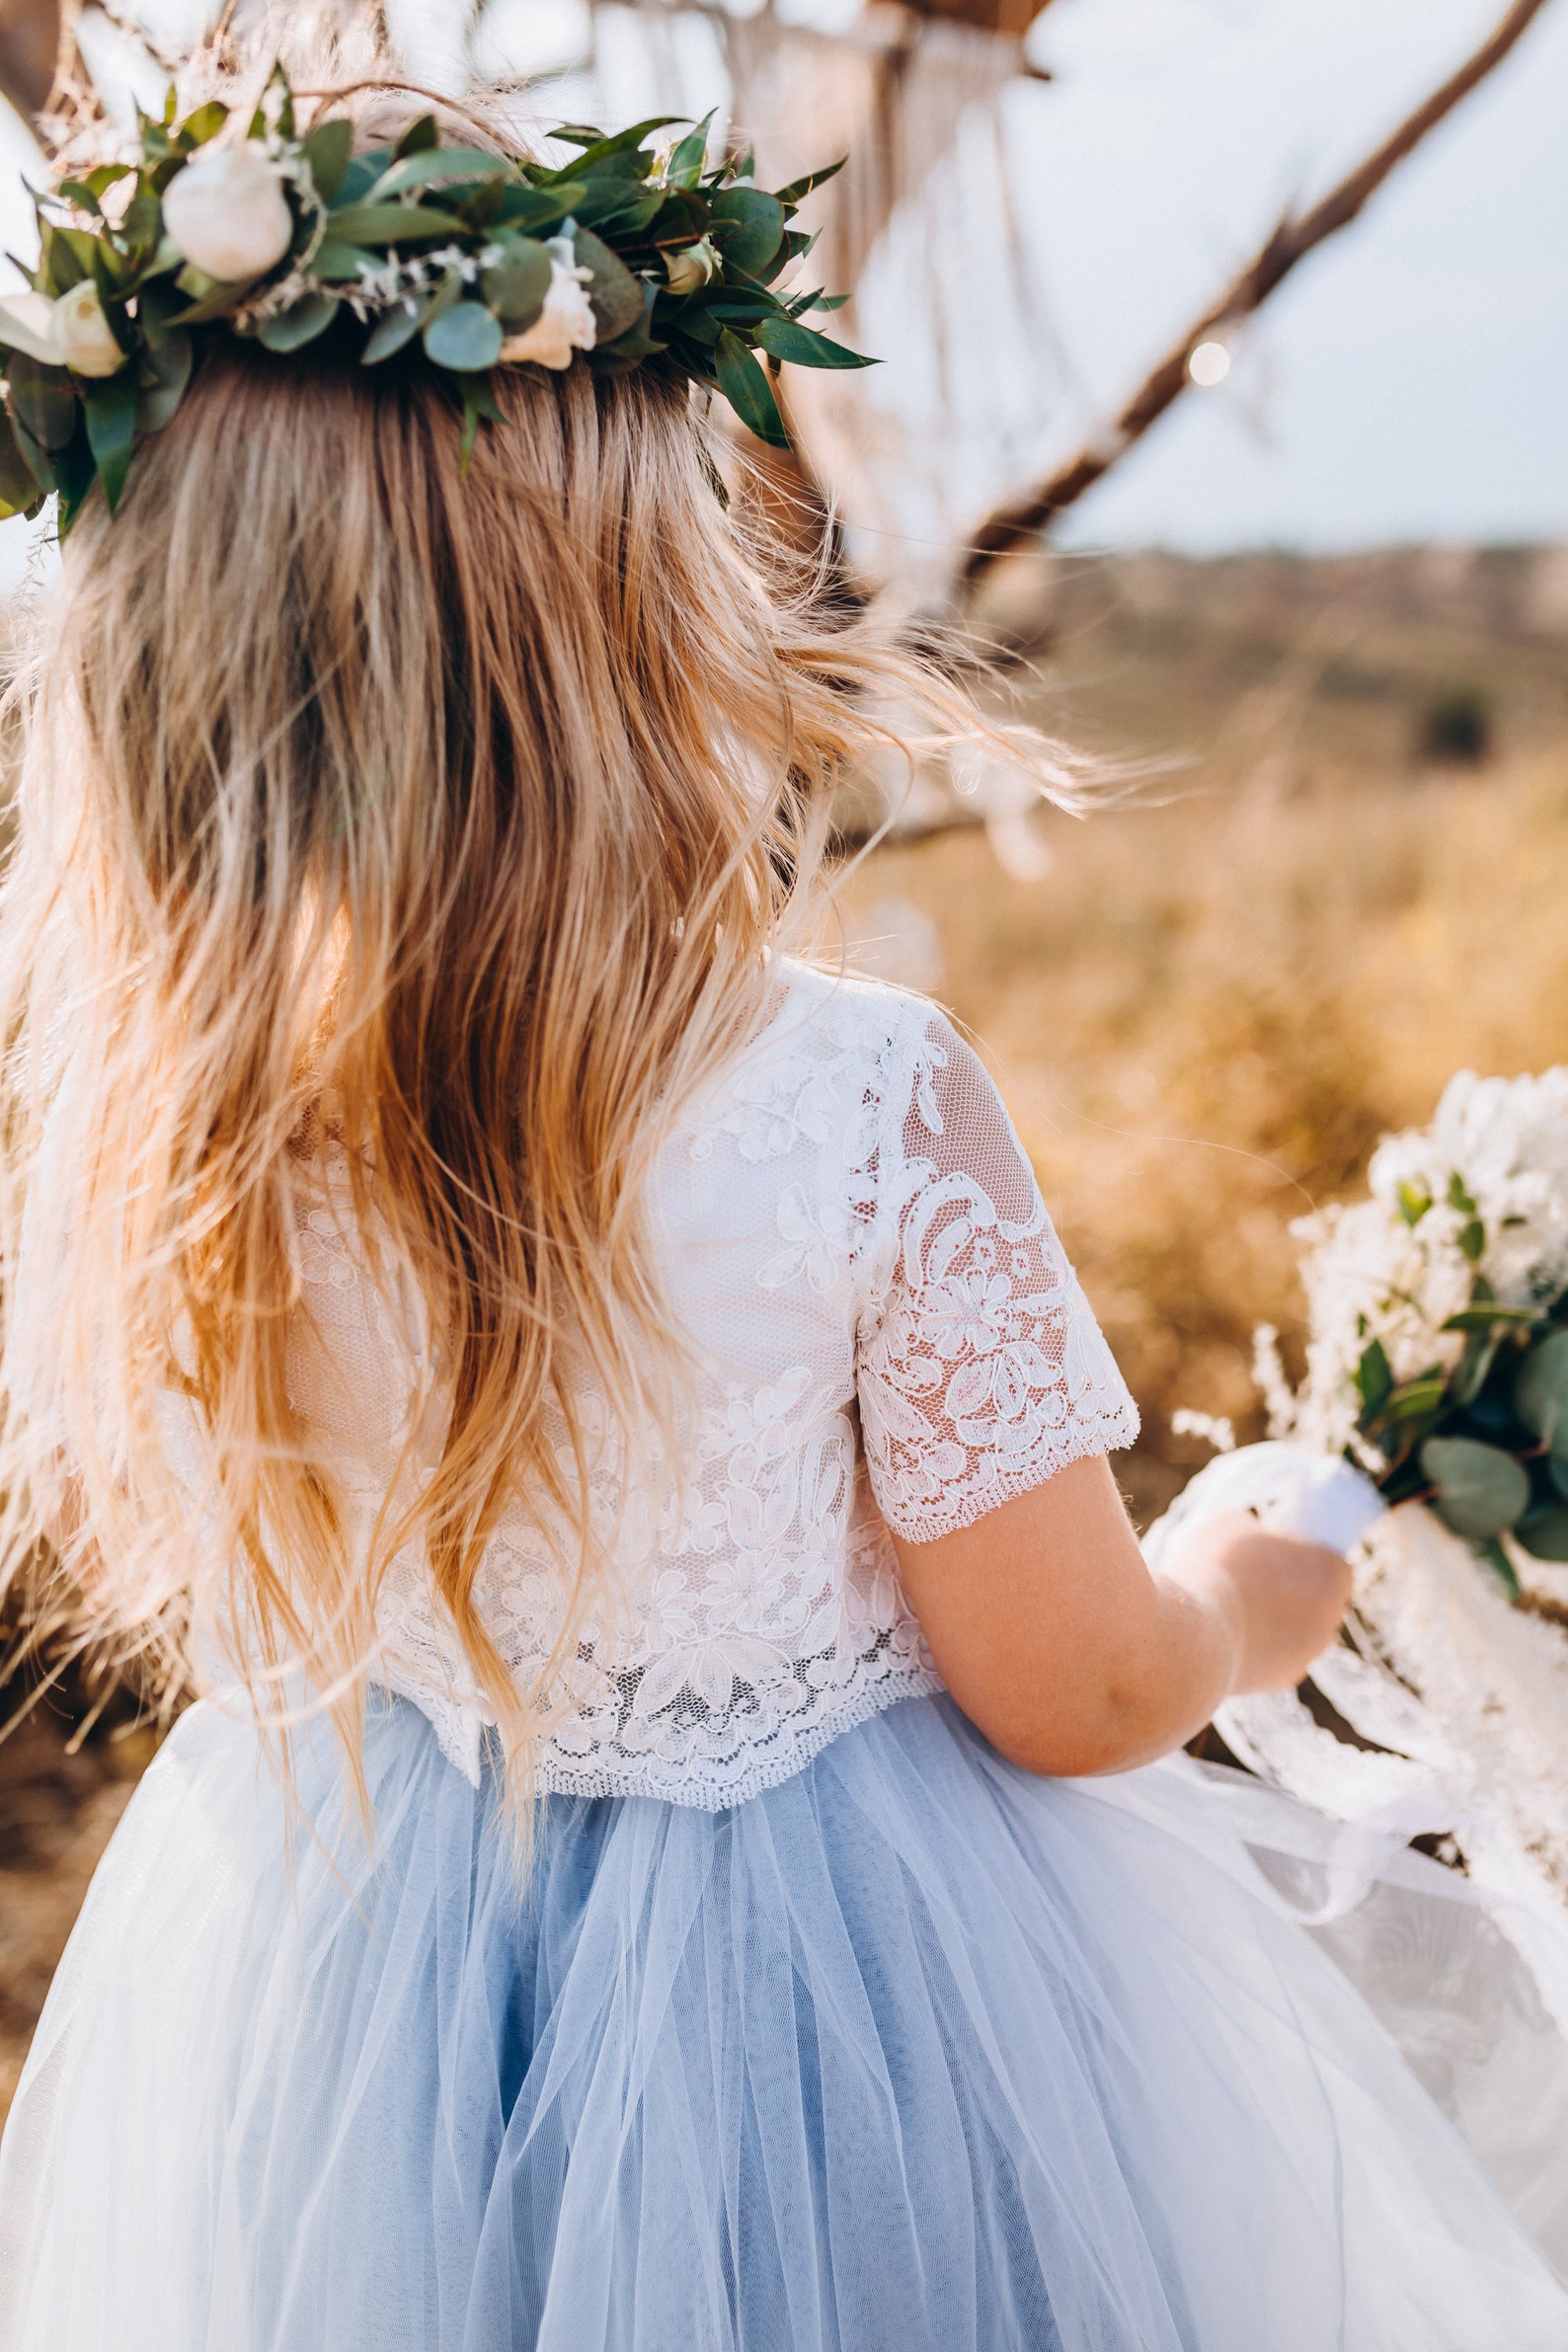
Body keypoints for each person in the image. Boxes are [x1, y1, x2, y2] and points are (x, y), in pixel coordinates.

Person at [1, 51, 1566, 2352]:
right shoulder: (847, 1102)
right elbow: (1067, 1689)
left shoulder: (169, 1122)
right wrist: (1257, 1576)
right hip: (834, 2023)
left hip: (339, 1978)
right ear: (626, 636)